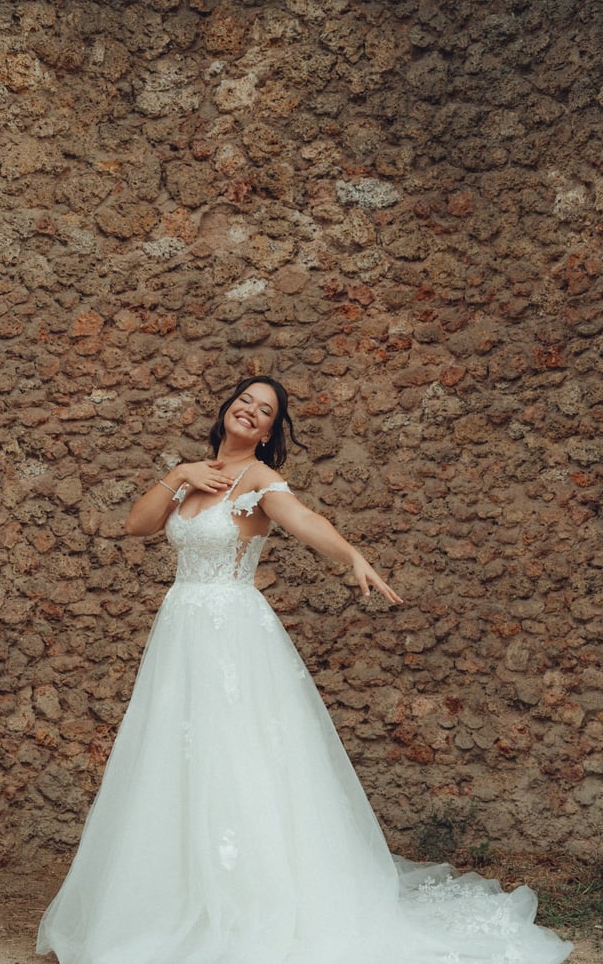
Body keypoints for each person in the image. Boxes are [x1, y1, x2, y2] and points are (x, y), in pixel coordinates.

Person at [38, 376, 572, 964]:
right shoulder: (193, 476)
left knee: (236, 754)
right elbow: (136, 525)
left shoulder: (261, 481)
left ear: (268, 432)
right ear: (227, 411)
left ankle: (249, 900)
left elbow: (304, 520)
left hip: (232, 634)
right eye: (245, 401)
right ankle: (173, 894)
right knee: (173, 753)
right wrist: (182, 473)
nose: (251, 411)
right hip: (180, 630)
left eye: (264, 410)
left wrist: (352, 558)